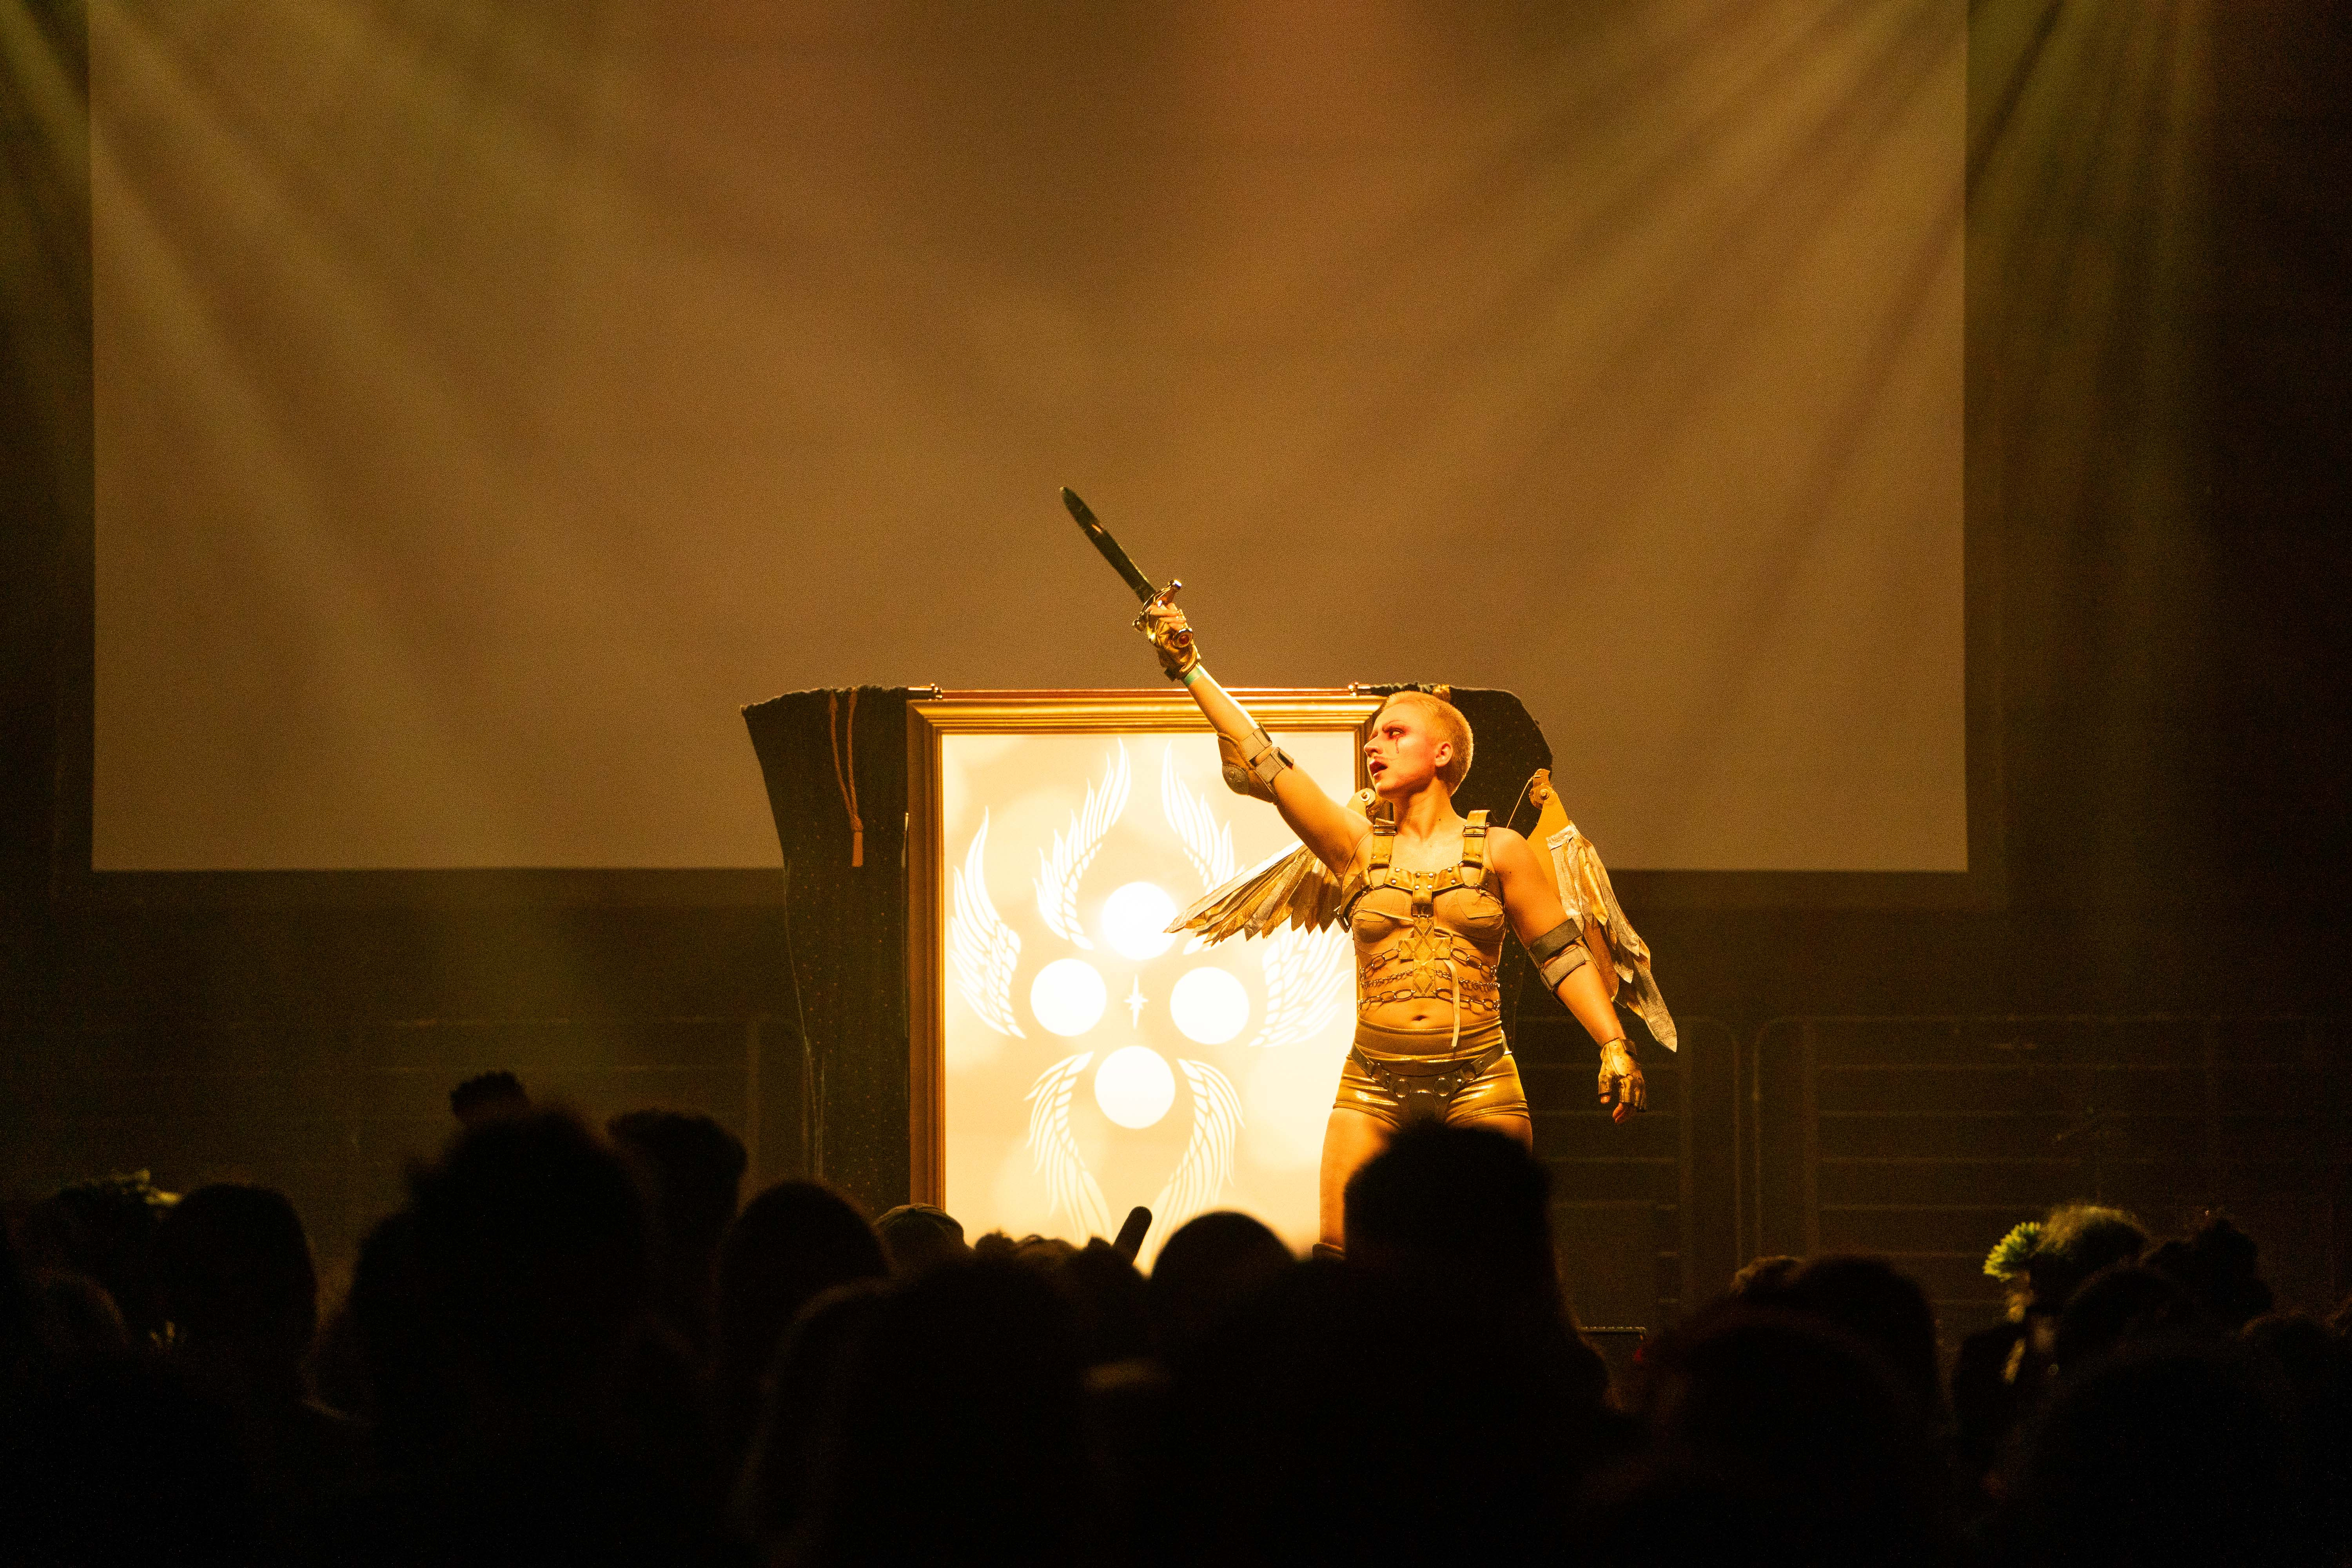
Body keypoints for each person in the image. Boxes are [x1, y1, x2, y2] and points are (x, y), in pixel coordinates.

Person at [1142, 599, 1664, 1251]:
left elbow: (1560, 954)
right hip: (1373, 1084)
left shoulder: (1502, 851)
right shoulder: (1354, 847)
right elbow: (1266, 761)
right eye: (1373, 736)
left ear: (1443, 752)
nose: (1374, 746)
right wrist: (1191, 668)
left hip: (1481, 1081)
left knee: (1495, 1265)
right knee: (1342, 1264)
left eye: (1394, 733)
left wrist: (1614, 1044)